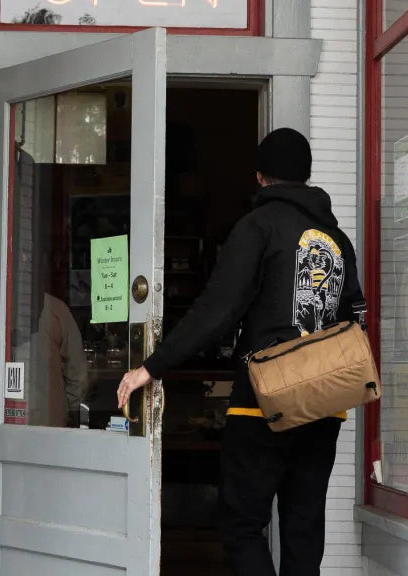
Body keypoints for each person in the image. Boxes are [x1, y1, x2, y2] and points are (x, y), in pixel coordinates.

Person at [117, 127, 364, 576]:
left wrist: (151, 367)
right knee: (304, 529)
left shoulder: (258, 228)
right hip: (326, 404)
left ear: (259, 176)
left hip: (264, 403)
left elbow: (217, 310)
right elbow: (355, 316)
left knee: (240, 524)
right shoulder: (338, 239)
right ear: (306, 177)